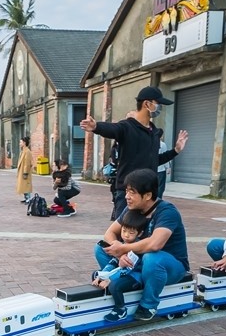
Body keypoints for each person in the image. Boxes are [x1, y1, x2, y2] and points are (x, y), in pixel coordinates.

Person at [93, 168, 190, 321]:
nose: (127, 197)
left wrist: (123, 249)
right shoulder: (132, 208)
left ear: (148, 196)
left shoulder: (166, 212)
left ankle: (148, 305)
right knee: (101, 248)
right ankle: (129, 280)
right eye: (126, 191)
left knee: (152, 258)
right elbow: (109, 234)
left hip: (171, 267)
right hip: (137, 263)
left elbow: (155, 244)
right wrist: (121, 253)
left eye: (132, 192)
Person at [80, 86, 187, 219]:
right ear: (147, 104)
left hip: (148, 195)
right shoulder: (127, 127)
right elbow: (114, 129)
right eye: (158, 104)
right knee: (124, 233)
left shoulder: (153, 132)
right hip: (129, 193)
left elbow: (155, 160)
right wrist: (96, 127)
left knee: (145, 234)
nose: (160, 108)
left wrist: (175, 150)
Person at [91, 209, 150, 321]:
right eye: (124, 231)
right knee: (96, 274)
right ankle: (107, 296)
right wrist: (103, 275)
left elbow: (126, 270)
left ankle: (120, 309)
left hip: (134, 277)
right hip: (123, 273)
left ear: (140, 233)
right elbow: (113, 262)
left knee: (114, 284)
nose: (126, 235)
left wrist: (110, 279)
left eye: (131, 233)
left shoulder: (136, 249)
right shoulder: (123, 244)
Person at [14, 136, 34, 203]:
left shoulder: (27, 152)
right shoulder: (23, 151)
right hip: (22, 171)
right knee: (23, 185)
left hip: (25, 172)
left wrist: (25, 172)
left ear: (24, 143)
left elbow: (27, 163)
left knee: (26, 185)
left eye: (20, 142)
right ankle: (26, 197)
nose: (19, 143)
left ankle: (29, 198)